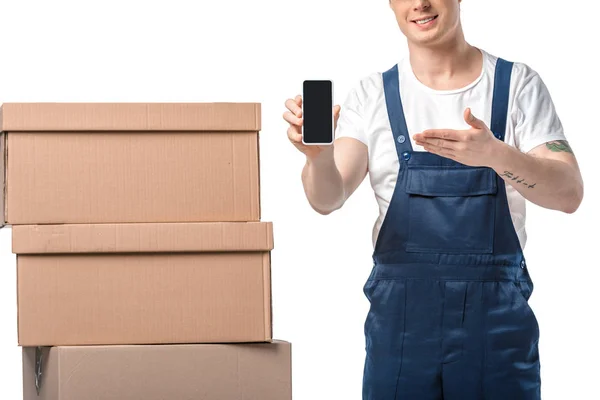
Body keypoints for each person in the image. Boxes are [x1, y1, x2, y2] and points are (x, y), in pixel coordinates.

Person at [283, 0, 584, 399]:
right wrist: (317, 158)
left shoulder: (517, 85)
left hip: (496, 332)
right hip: (401, 333)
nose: (420, 3)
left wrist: (495, 154)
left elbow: (569, 194)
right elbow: (328, 198)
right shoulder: (372, 94)